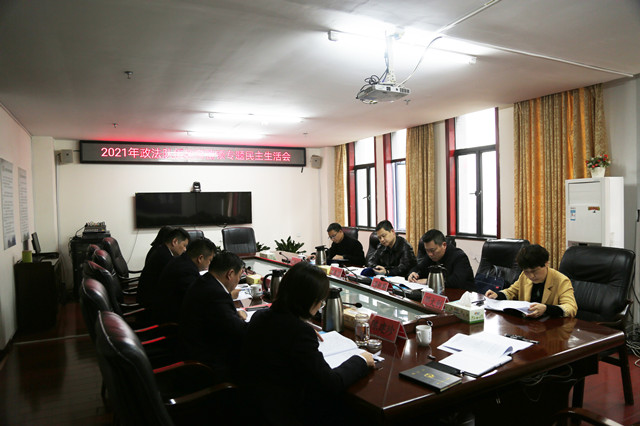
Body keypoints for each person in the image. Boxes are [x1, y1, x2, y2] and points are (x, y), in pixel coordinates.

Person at [241, 262, 374, 425]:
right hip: (286, 414)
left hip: (254, 407)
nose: (320, 306)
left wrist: (300, 324)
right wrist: (361, 360)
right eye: (321, 302)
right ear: (309, 301)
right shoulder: (299, 333)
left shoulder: (260, 316)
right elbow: (330, 383)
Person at [179, 250, 248, 381]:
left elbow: (220, 317)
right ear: (230, 274)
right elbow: (238, 331)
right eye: (239, 276)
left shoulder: (204, 281)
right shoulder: (216, 294)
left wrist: (233, 313)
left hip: (192, 347)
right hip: (208, 363)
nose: (238, 281)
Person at [484, 244, 578, 318]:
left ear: (546, 264)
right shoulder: (524, 276)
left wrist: (546, 309)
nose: (531, 276)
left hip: (551, 327)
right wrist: (497, 295)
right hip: (527, 324)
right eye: (527, 272)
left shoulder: (561, 281)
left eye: (534, 271)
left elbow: (571, 308)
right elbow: (512, 291)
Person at [148, 237, 217, 323]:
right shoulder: (186, 271)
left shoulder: (181, 260)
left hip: (168, 311)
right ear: (200, 258)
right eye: (210, 260)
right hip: (171, 322)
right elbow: (198, 299)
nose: (209, 264)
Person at [407, 229, 475, 291]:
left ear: (444, 245)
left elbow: (456, 282)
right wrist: (413, 273)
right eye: (427, 250)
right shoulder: (431, 256)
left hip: (463, 296)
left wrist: (429, 281)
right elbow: (419, 268)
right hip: (441, 294)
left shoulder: (459, 257)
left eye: (432, 250)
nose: (430, 254)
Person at [137, 227, 190, 306]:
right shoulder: (164, 257)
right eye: (184, 245)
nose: (185, 249)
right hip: (151, 302)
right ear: (175, 242)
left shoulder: (162, 250)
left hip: (149, 295)